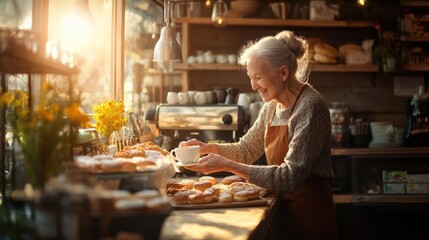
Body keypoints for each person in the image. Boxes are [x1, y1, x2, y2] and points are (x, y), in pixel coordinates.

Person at [180, 30, 338, 240]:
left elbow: (290, 177)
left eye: (258, 77)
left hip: (309, 214)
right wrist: (210, 148)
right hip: (281, 206)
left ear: (283, 73)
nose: (253, 86)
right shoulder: (272, 106)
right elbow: (246, 149)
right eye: (251, 78)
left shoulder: (311, 106)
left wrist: (227, 165)